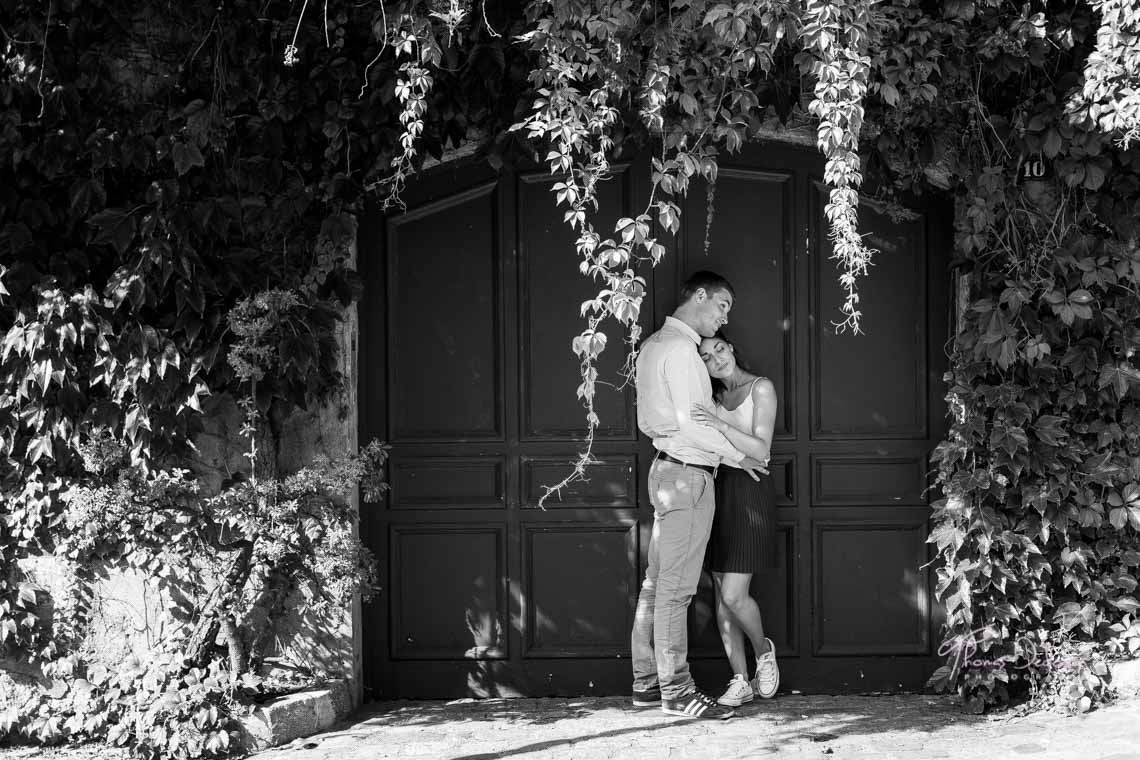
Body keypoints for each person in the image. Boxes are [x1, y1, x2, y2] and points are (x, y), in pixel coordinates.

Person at [630, 271, 768, 720]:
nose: (724, 316)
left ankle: (647, 683)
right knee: (675, 590)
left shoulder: (651, 347)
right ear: (701, 296)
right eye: (722, 305)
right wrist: (737, 459)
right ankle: (676, 690)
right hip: (687, 478)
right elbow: (697, 424)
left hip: (664, 470)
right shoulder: (684, 352)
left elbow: (653, 423)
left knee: (655, 585)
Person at [691, 331, 781, 706]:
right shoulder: (709, 397)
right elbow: (702, 445)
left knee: (733, 593)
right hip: (715, 489)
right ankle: (740, 680)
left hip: (749, 492)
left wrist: (723, 429)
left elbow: (761, 450)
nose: (716, 360)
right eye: (707, 357)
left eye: (720, 349)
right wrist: (733, 453)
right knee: (721, 597)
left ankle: (763, 652)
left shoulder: (761, 388)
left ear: (732, 348)